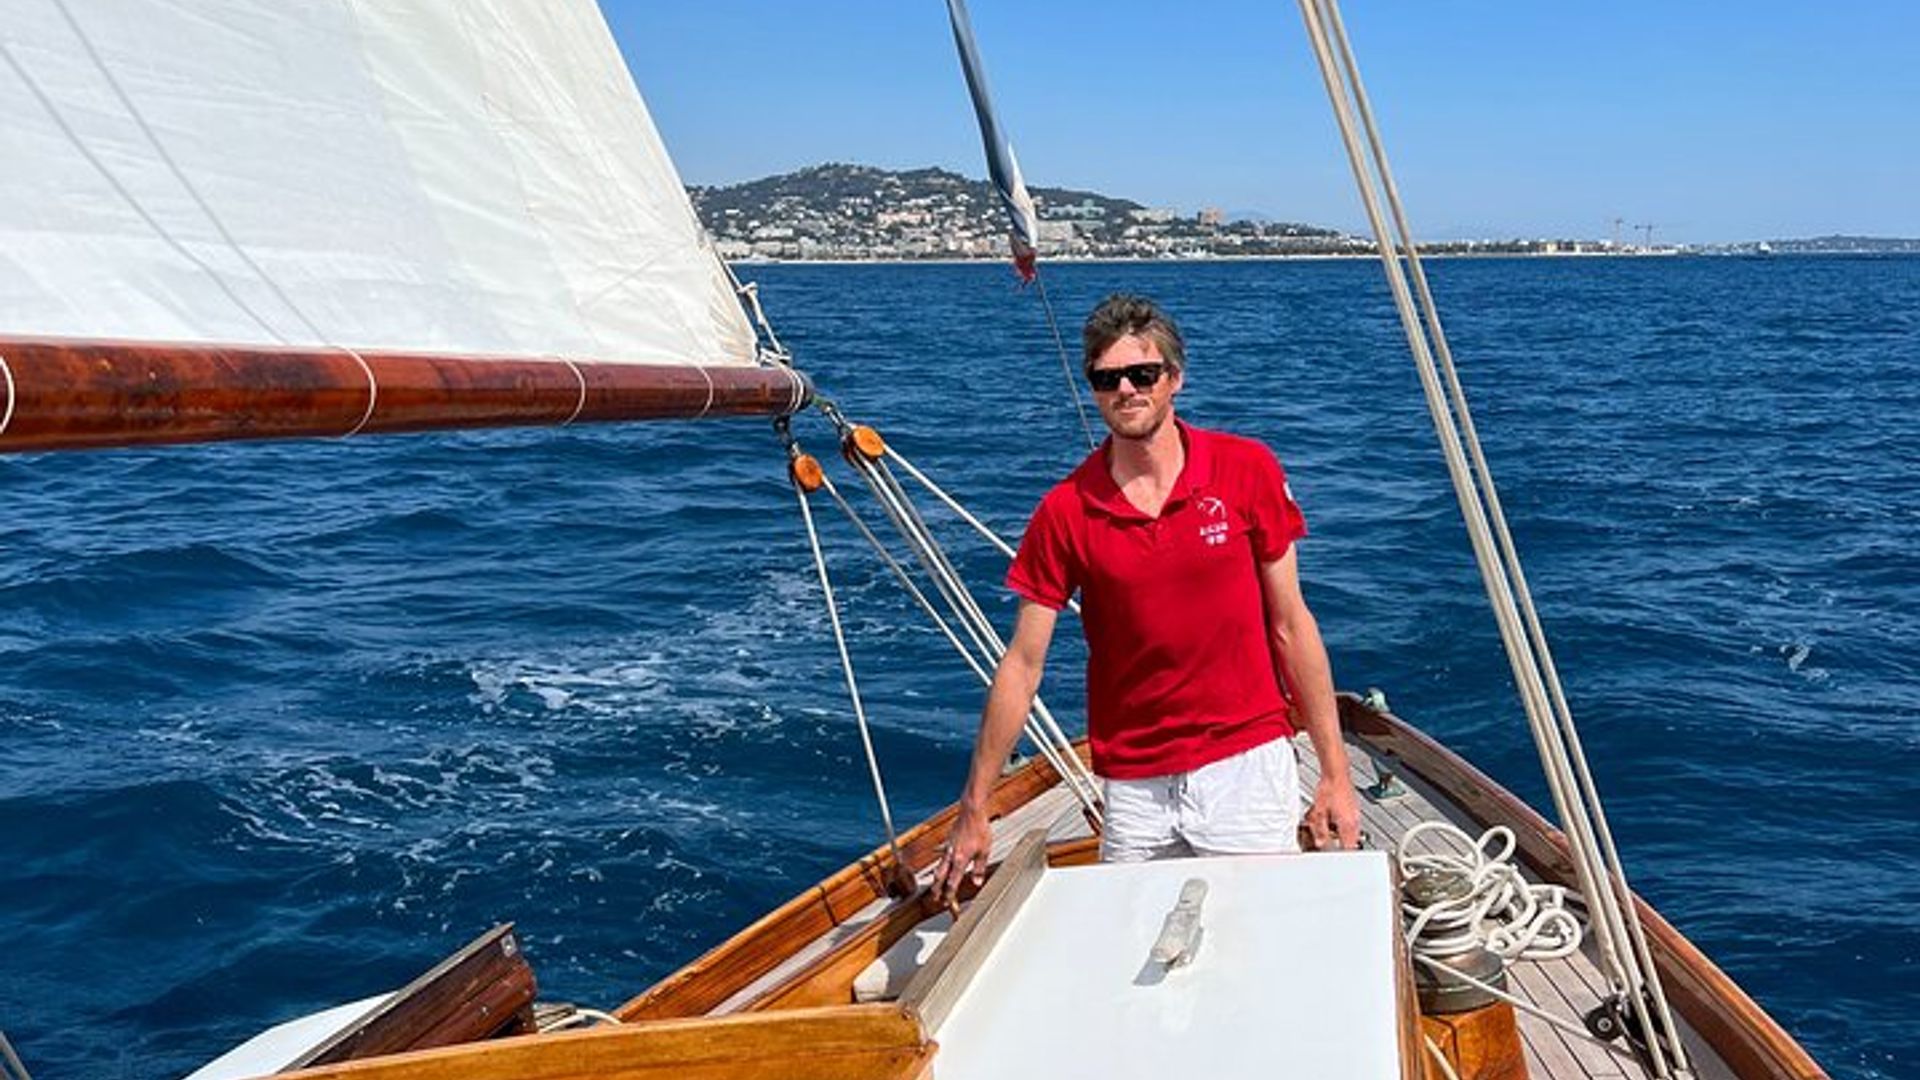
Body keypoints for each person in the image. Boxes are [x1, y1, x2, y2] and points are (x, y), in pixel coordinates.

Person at [934, 294, 1360, 901]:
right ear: (1093, 389)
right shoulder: (1065, 511)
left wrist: (1336, 776)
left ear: (1174, 379)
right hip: (1134, 784)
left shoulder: (1246, 469)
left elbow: (1292, 624)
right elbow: (1023, 664)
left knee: (1258, 938)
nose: (1127, 390)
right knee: (1133, 951)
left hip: (1245, 765)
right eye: (1107, 379)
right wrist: (974, 809)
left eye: (1143, 374)